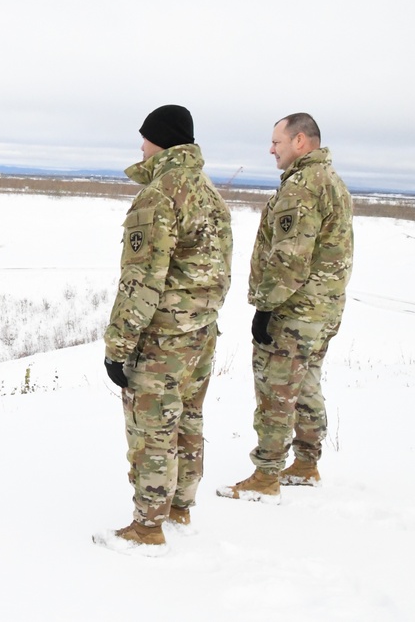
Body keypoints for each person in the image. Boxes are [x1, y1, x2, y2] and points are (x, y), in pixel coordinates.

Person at [98, 105, 233, 548]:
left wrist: (118, 346)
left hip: (163, 339)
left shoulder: (159, 195)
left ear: (163, 140)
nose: (141, 146)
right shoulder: (209, 192)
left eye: (146, 138)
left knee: (153, 428)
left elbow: (141, 280)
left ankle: (147, 527)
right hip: (201, 334)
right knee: (187, 419)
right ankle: (179, 508)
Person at [217, 112, 353, 503]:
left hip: (295, 313)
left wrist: (265, 307)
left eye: (277, 141)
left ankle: (266, 475)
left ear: (300, 142)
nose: (270, 149)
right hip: (322, 311)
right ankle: (307, 464)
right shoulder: (331, 181)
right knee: (307, 385)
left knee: (277, 390)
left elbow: (290, 259)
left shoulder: (302, 187)